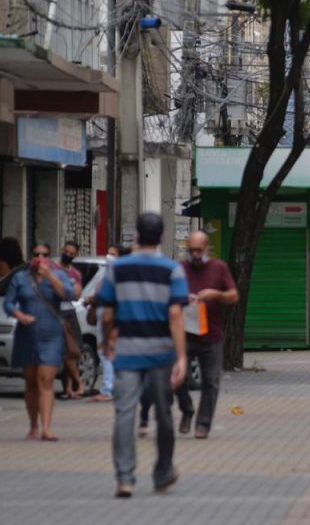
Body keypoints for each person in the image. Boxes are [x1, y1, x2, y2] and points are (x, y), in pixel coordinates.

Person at [99, 213, 189, 499]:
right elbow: (175, 313)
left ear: (136, 235)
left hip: (127, 350)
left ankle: (125, 478)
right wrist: (182, 356)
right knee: (163, 413)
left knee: (125, 413)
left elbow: (108, 311)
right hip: (160, 351)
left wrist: (106, 340)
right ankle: (162, 472)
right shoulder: (172, 269)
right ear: (162, 236)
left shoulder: (118, 269)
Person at [3, 242, 74, 442]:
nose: (39, 258)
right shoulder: (20, 278)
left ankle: (47, 428)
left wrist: (50, 275)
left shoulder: (58, 276)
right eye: (36, 254)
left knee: (46, 380)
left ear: (49, 257)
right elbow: (8, 303)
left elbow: (68, 294)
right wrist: (19, 315)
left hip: (51, 335)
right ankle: (33, 426)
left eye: (44, 254)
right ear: (31, 256)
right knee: (32, 381)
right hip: (27, 334)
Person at [174, 231, 239, 439]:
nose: (194, 254)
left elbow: (234, 295)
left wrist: (215, 294)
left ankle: (203, 424)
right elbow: (168, 296)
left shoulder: (219, 268)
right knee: (178, 378)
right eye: (191, 250)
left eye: (198, 250)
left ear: (207, 249)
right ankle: (187, 410)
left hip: (212, 335)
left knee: (211, 381)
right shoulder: (181, 269)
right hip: (185, 334)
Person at [87, 245, 122, 402]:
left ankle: (108, 389)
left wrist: (93, 299)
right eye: (108, 253)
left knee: (106, 351)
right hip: (105, 316)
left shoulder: (117, 276)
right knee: (106, 352)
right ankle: (112, 387)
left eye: (113, 254)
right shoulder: (106, 276)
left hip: (110, 317)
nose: (109, 257)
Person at [58, 241, 86, 399]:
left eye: (71, 253)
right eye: (66, 251)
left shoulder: (75, 273)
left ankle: (70, 386)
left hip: (69, 311)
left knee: (75, 350)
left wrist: (64, 290)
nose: (68, 255)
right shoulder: (53, 269)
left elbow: (76, 294)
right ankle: (76, 383)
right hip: (56, 312)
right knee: (65, 351)